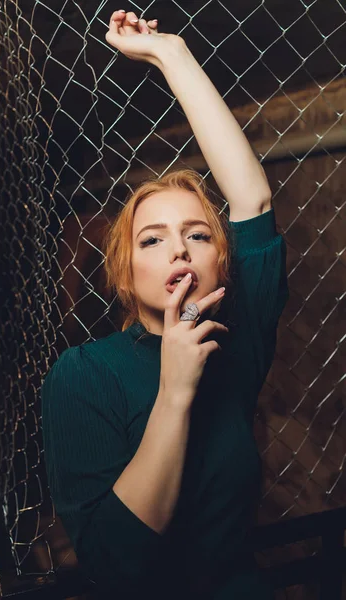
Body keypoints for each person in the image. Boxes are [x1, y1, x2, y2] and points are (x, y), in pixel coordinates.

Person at [41, 10, 289, 599]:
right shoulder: (82, 375)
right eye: (152, 239)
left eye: (198, 235)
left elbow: (251, 195)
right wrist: (175, 390)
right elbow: (118, 565)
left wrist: (170, 55)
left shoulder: (235, 337)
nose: (179, 247)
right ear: (126, 274)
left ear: (219, 265)